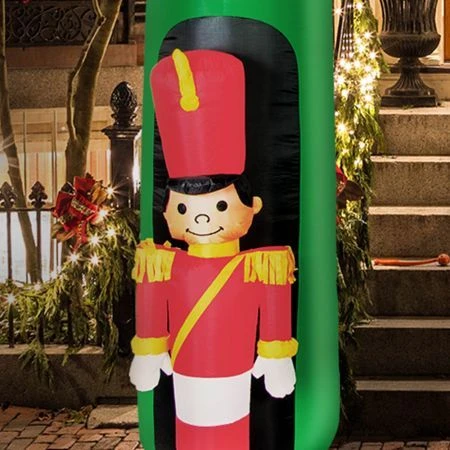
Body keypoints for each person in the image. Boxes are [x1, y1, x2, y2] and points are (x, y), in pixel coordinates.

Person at [129, 48, 298, 450]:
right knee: (192, 430)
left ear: (251, 207)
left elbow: (272, 305)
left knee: (229, 430)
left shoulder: (261, 266)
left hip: (236, 372)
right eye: (184, 207)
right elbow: (152, 300)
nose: (202, 217)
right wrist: (149, 348)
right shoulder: (162, 263)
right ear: (169, 211)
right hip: (186, 370)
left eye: (220, 205)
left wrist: (275, 355)